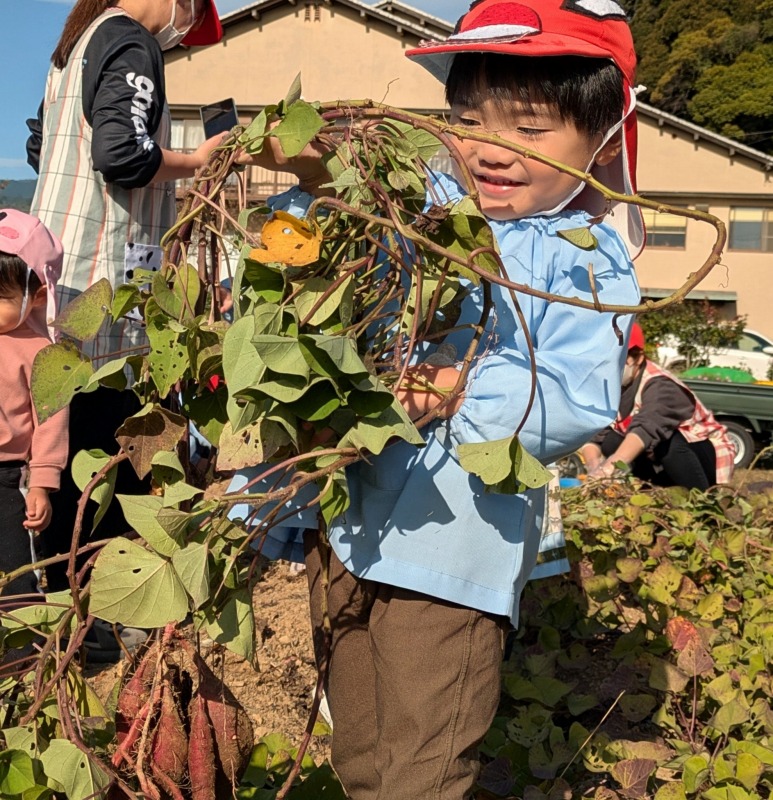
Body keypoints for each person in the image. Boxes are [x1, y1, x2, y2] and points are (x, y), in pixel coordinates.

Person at [231, 0, 643, 796]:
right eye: (466, 120)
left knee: (424, 757)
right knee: (356, 745)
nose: (491, 148)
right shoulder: (416, 217)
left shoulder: (582, 258)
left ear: (597, 141)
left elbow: (576, 393)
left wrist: (458, 388)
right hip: (347, 519)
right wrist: (313, 181)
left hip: (452, 547)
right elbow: (317, 277)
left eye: (529, 129)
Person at [25, 0, 225, 614]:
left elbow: (43, 147)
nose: (183, 30)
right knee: (109, 443)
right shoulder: (133, 41)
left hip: (54, 272)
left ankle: (58, 605)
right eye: (189, 16)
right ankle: (103, 615)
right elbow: (122, 154)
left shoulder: (75, 44)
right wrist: (197, 162)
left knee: (61, 446)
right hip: (101, 283)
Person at [0, 210, 67, 605]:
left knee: (12, 573)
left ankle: (21, 659)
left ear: (37, 295)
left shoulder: (40, 351)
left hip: (7, 479)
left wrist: (41, 483)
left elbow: (51, 421)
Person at [581, 322, 735, 489]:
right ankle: (648, 491)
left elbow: (647, 428)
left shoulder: (661, 385)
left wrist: (610, 466)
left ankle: (700, 501)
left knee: (670, 444)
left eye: (619, 360)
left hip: (703, 452)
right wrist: (594, 466)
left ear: (638, 358)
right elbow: (596, 435)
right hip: (658, 454)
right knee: (612, 440)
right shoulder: (613, 388)